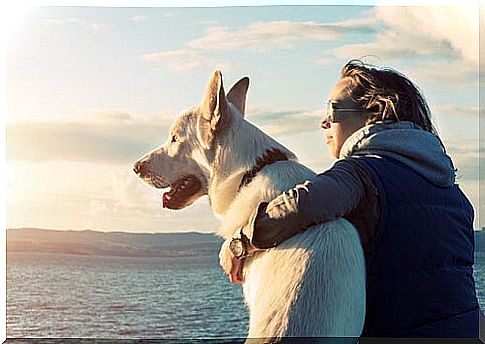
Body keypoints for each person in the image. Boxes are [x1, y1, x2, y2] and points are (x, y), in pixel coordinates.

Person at [219, 59, 480, 338]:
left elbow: (302, 205)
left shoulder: (361, 173)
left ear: (376, 111)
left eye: (332, 109)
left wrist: (239, 242)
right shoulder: (452, 193)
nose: (324, 122)